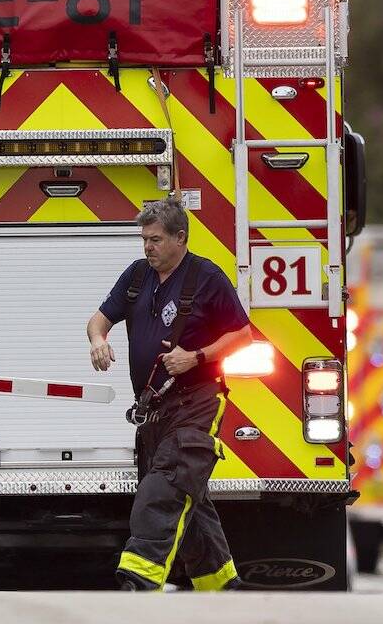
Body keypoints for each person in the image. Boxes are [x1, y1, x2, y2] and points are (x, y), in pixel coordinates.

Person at [86, 198, 252, 591]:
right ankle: (222, 587)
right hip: (153, 411)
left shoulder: (207, 277)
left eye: (156, 240)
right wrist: (98, 341)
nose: (148, 247)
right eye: (144, 239)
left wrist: (197, 357)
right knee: (187, 493)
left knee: (165, 487)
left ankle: (140, 578)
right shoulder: (137, 276)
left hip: (198, 400)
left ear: (181, 237)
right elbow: (99, 319)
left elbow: (243, 335)